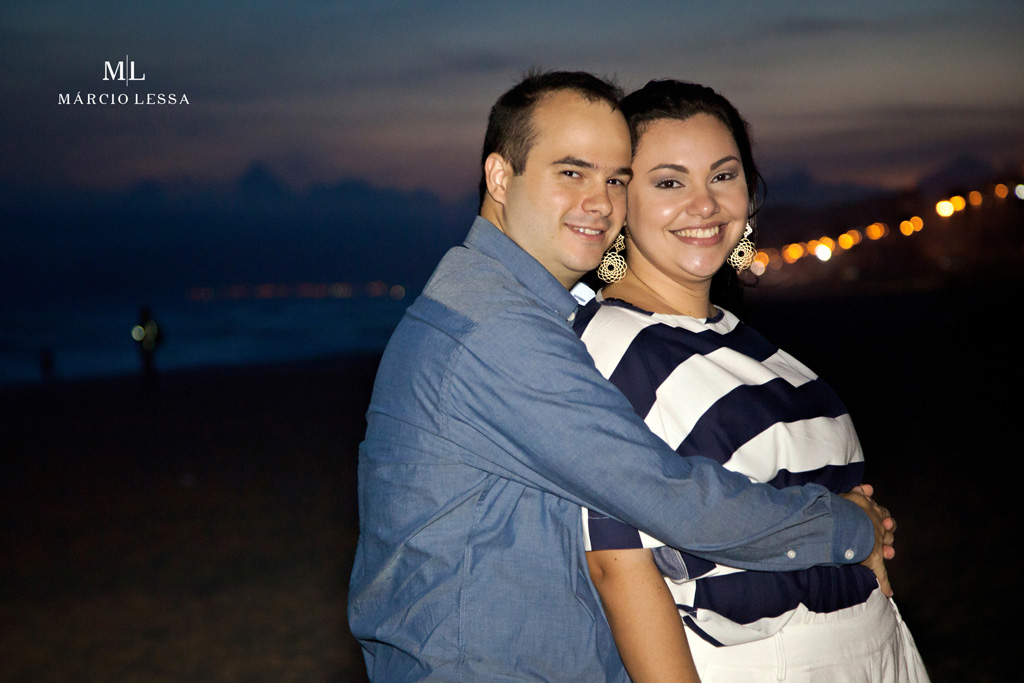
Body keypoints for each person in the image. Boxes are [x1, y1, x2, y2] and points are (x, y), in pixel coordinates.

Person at [347, 70, 892, 682]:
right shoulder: (496, 331)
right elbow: (668, 497)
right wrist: (846, 527)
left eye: (614, 179)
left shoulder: (512, 311)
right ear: (500, 177)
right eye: (571, 173)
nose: (601, 202)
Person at [576, 79, 929, 681]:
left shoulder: (740, 338)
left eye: (723, 175)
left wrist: (855, 520)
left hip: (878, 648)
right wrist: (841, 526)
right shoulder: (609, 346)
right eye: (669, 183)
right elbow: (616, 565)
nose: (705, 204)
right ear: (619, 199)